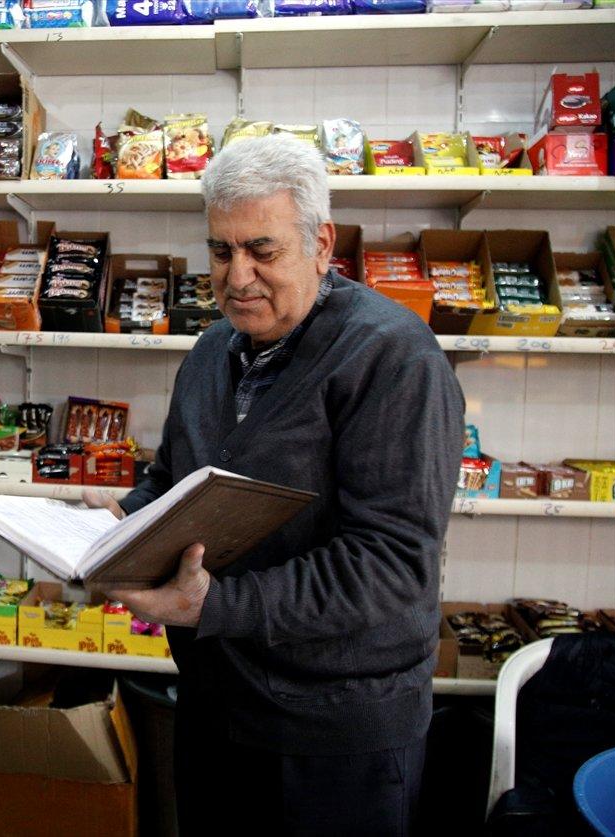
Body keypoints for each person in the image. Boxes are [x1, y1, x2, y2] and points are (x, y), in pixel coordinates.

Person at [87, 135, 465, 836]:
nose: (238, 277)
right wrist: (120, 521)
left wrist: (217, 603)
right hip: (216, 708)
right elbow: (173, 480)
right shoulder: (211, 351)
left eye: (262, 250)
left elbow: (393, 563)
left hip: (335, 734)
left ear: (321, 245)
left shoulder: (392, 358)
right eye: (221, 251)